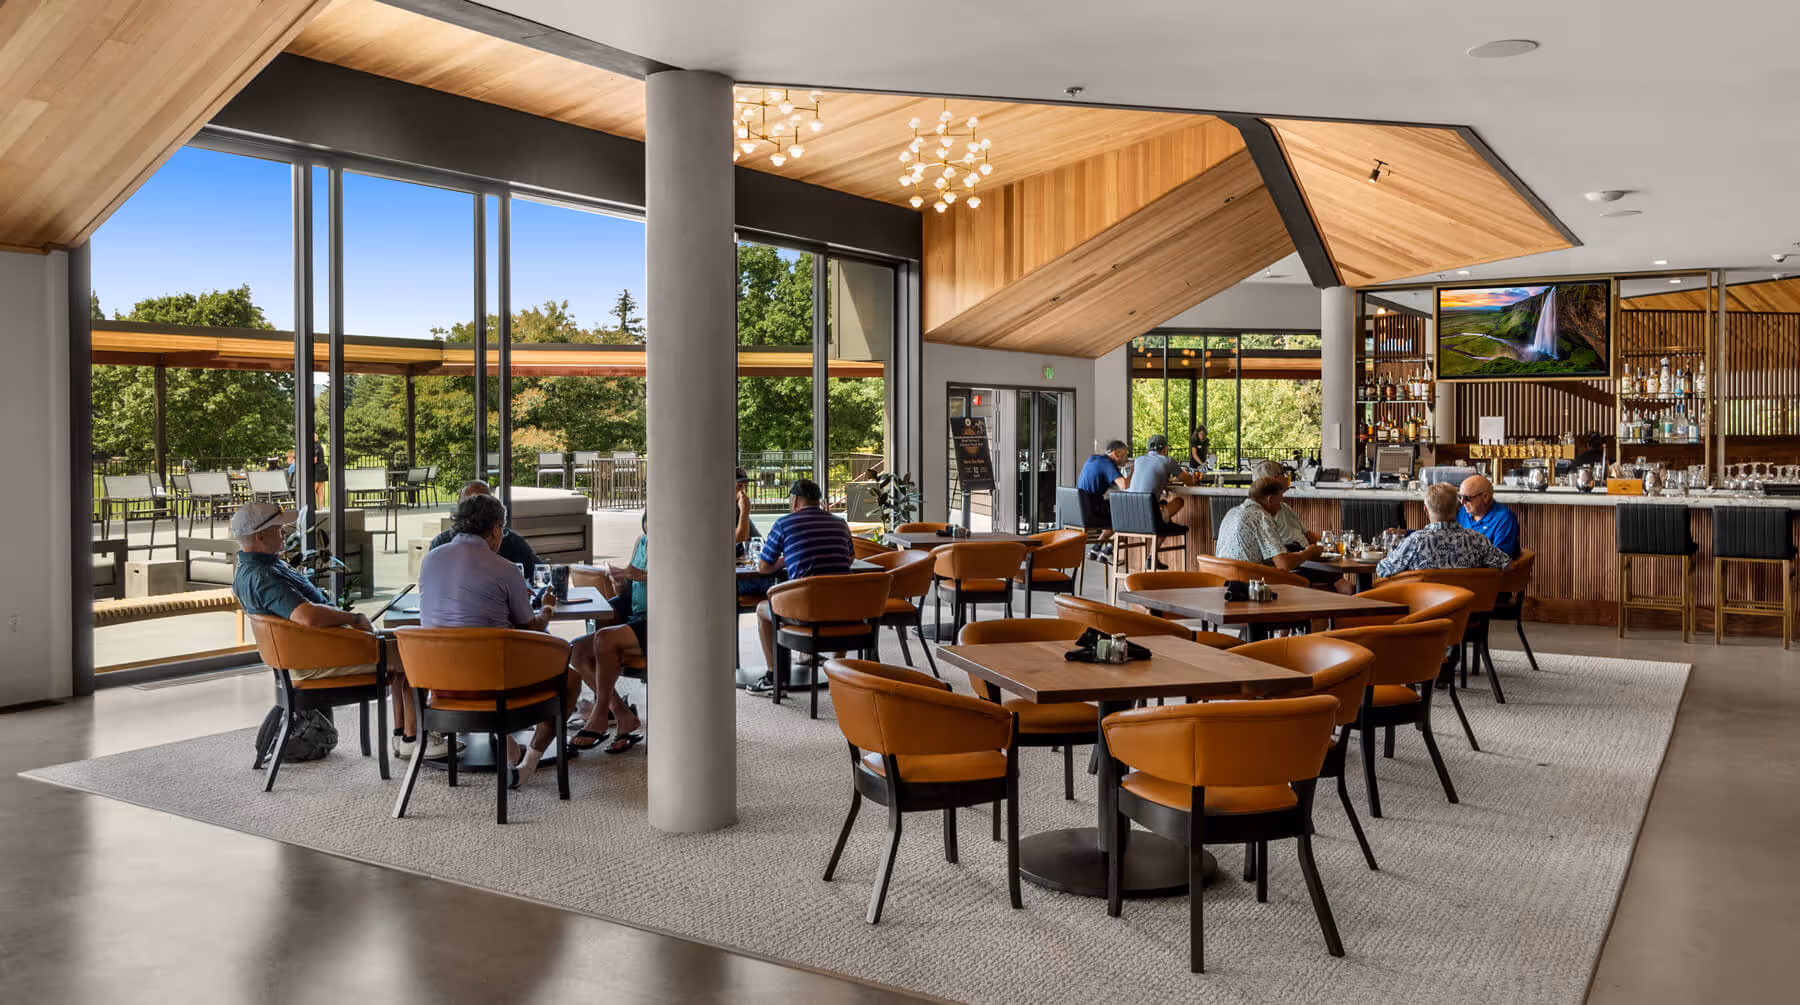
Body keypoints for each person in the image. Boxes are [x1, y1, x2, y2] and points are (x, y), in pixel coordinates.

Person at [228, 501, 447, 761]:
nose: (284, 533)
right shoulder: (263, 576)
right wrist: (353, 619)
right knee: (412, 650)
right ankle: (413, 738)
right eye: (278, 529)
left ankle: (404, 735)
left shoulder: (256, 568)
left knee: (400, 644)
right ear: (260, 536)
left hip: (315, 653)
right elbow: (306, 616)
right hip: (320, 659)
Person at [418, 493, 597, 783]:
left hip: (439, 686)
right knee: (571, 679)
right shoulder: (504, 568)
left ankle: (511, 750)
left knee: (485, 655)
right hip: (492, 687)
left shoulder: (430, 560)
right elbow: (531, 630)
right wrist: (548, 608)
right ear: (495, 529)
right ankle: (528, 764)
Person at [748, 479, 853, 694]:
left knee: (762, 609)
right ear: (819, 501)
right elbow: (850, 558)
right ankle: (837, 671)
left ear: (795, 500)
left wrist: (787, 559)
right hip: (845, 611)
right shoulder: (840, 523)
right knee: (836, 589)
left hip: (806, 613)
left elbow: (764, 567)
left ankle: (773, 675)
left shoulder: (784, 523)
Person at [1377, 482, 1511, 577]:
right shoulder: (1478, 540)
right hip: (1467, 609)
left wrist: (1394, 550)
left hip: (1422, 610)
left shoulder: (1415, 542)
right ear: (1458, 508)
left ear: (1426, 510)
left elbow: (1383, 570)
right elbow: (1505, 563)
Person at [428, 480, 542, 578]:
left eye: (483, 504)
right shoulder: (441, 543)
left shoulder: (512, 541)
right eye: (469, 504)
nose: (477, 510)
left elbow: (539, 572)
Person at [1215, 476, 1323, 572]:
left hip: (1223, 580)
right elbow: (1284, 564)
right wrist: (1309, 552)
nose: (1280, 507)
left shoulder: (1231, 512)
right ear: (1270, 500)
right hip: (1250, 584)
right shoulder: (1262, 516)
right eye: (1280, 500)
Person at [1126, 433, 1196, 561]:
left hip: (1128, 518)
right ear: (1165, 449)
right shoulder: (1168, 461)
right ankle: (1152, 555)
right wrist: (1189, 475)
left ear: (1148, 449)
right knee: (1178, 502)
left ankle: (1153, 557)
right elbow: (1189, 482)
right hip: (1149, 518)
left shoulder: (1138, 460)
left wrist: (1164, 482)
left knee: (1164, 513)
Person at [1075, 439, 1130, 557]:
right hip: (1092, 510)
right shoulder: (1107, 464)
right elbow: (1124, 485)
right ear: (1117, 453)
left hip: (1080, 509)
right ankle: (1108, 550)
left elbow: (1104, 481)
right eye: (1126, 454)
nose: (1127, 458)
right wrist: (1134, 472)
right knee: (1126, 513)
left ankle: (1097, 548)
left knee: (1119, 510)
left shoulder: (1093, 459)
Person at [1457, 473, 1520, 558]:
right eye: (1460, 497)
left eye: (1467, 498)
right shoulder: (1463, 512)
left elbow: (1501, 558)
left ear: (1485, 497)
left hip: (1488, 570)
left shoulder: (1505, 518)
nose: (1462, 502)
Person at [734, 467, 754, 559]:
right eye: (740, 486)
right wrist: (745, 512)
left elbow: (759, 542)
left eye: (746, 487)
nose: (743, 492)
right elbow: (738, 540)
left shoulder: (738, 509)